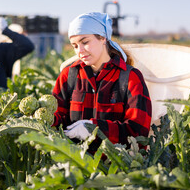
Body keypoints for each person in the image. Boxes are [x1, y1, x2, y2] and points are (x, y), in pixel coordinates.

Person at [52, 12, 152, 147]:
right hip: (75, 163)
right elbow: (59, 116)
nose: (80, 50)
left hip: (117, 164)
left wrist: (95, 129)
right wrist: (45, 118)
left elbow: (138, 132)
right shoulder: (68, 75)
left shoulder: (130, 78)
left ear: (103, 38)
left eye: (85, 42)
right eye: (75, 46)